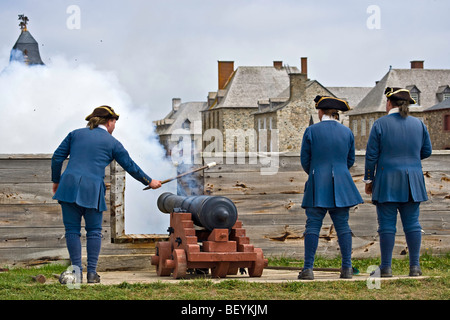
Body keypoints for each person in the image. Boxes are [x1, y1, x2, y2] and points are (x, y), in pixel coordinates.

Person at [51, 105, 162, 284]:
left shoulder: (75, 134)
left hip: (68, 187)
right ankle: (92, 274)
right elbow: (130, 166)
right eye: (114, 122)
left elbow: (57, 157)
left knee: (72, 230)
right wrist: (149, 181)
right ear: (110, 122)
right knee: (94, 231)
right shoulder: (113, 143)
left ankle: (76, 273)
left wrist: (56, 181)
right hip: (92, 190)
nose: (114, 126)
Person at [364, 88, 432, 277]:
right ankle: (415, 267)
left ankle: (386, 267)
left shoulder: (380, 124)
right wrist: (410, 161)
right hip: (413, 180)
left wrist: (369, 179)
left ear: (389, 103)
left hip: (387, 179)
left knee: (386, 225)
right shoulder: (419, 124)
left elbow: (371, 156)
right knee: (412, 224)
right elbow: (427, 151)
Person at [298, 96, 363, 280]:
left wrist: (316, 173)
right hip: (342, 184)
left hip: (317, 182)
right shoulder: (347, 132)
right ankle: (347, 269)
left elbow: (305, 160)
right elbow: (350, 160)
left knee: (312, 226)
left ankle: (308, 269)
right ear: (336, 114)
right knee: (343, 226)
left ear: (320, 112)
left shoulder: (311, 131)